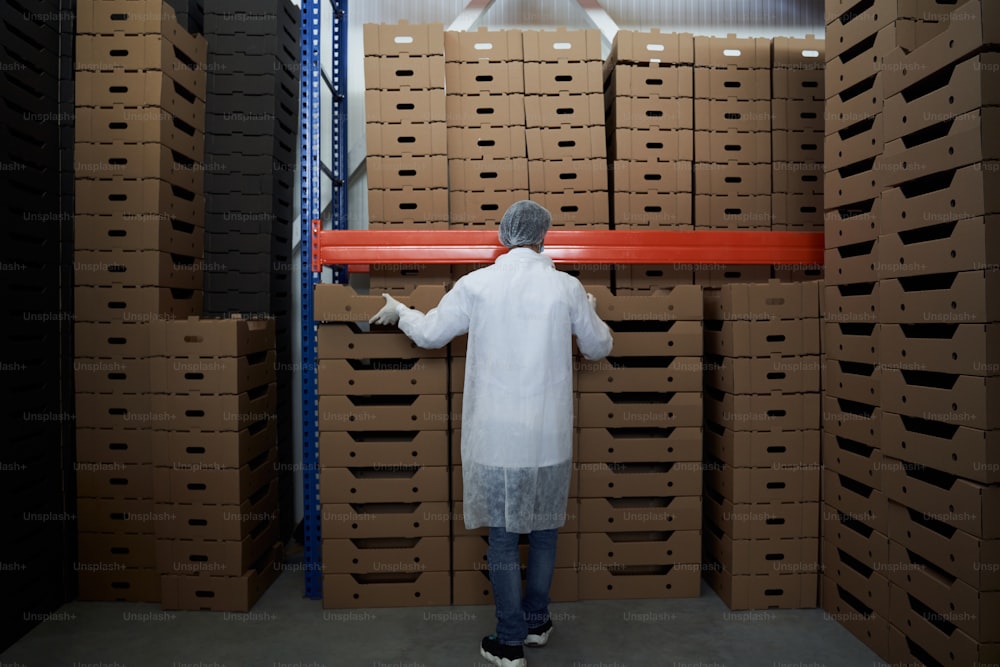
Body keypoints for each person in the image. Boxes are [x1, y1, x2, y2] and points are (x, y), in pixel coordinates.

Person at [369, 200, 613, 667]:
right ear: (543, 237)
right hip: (549, 437)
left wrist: (399, 311)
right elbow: (599, 346)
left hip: (498, 438)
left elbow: (431, 334)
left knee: (502, 538)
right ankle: (537, 622)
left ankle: (509, 640)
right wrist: (591, 312)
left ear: (505, 236)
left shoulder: (477, 285)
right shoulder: (566, 288)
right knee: (543, 532)